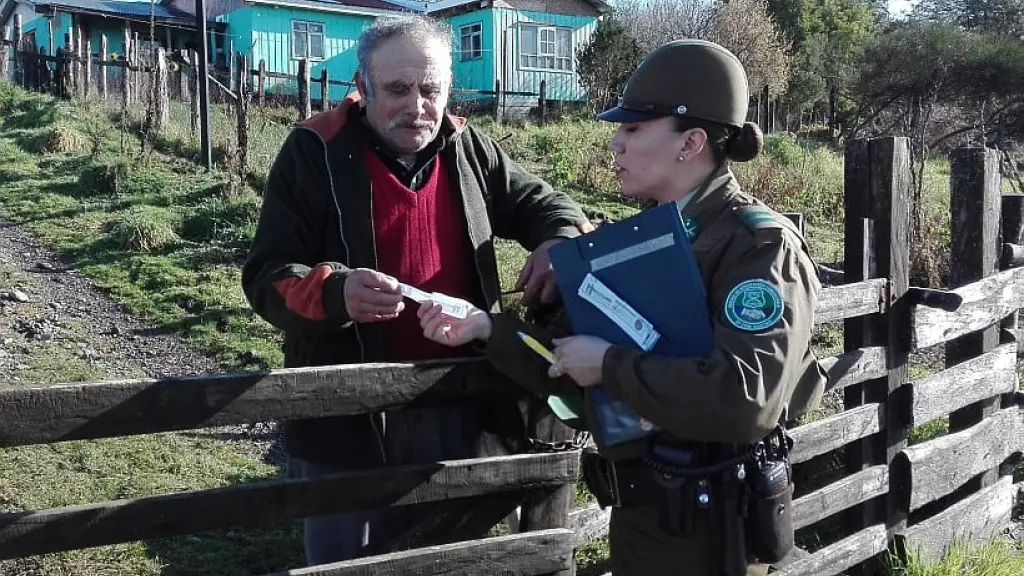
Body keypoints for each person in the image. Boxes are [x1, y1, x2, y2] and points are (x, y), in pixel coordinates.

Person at [415, 39, 829, 576]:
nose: (616, 143)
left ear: (692, 142)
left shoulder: (758, 247)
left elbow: (747, 399)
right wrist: (484, 328)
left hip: (714, 530)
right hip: (645, 515)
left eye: (634, 129)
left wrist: (609, 363)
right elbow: (569, 363)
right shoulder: (642, 242)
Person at [240, 13, 593, 566]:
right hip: (348, 413)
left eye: (431, 89)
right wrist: (336, 294)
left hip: (461, 396)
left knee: (458, 552)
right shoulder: (314, 150)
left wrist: (560, 240)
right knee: (348, 561)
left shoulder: (466, 147)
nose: (417, 105)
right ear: (362, 86)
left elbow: (548, 205)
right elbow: (266, 277)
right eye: (398, 89)